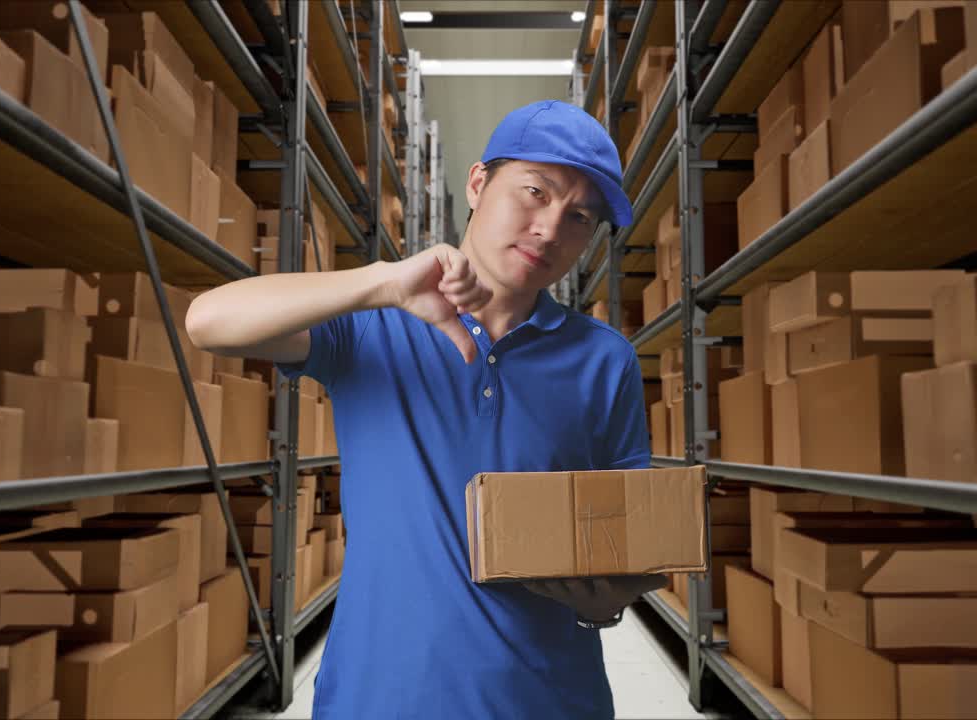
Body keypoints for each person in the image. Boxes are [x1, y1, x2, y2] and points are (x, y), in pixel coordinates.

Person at [187, 100, 665, 719]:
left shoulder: (605, 360)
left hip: (548, 699)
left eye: (579, 216)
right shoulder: (371, 328)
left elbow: (630, 539)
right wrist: (382, 283)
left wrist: (607, 600)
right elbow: (208, 322)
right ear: (476, 184)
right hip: (380, 698)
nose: (550, 228)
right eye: (534, 192)